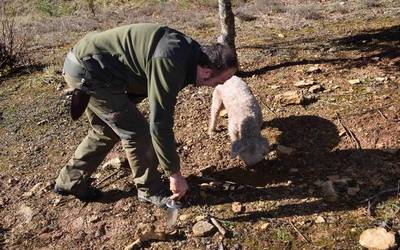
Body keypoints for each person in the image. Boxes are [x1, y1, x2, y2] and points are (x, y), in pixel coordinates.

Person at [54, 23, 238, 207]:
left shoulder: (191, 54)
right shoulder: (171, 63)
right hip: (91, 72)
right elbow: (160, 123)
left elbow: (142, 73)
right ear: (207, 71)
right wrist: (174, 174)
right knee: (137, 132)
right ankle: (150, 190)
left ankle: (70, 180)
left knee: (105, 130)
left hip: (90, 66)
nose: (216, 86)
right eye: (219, 81)